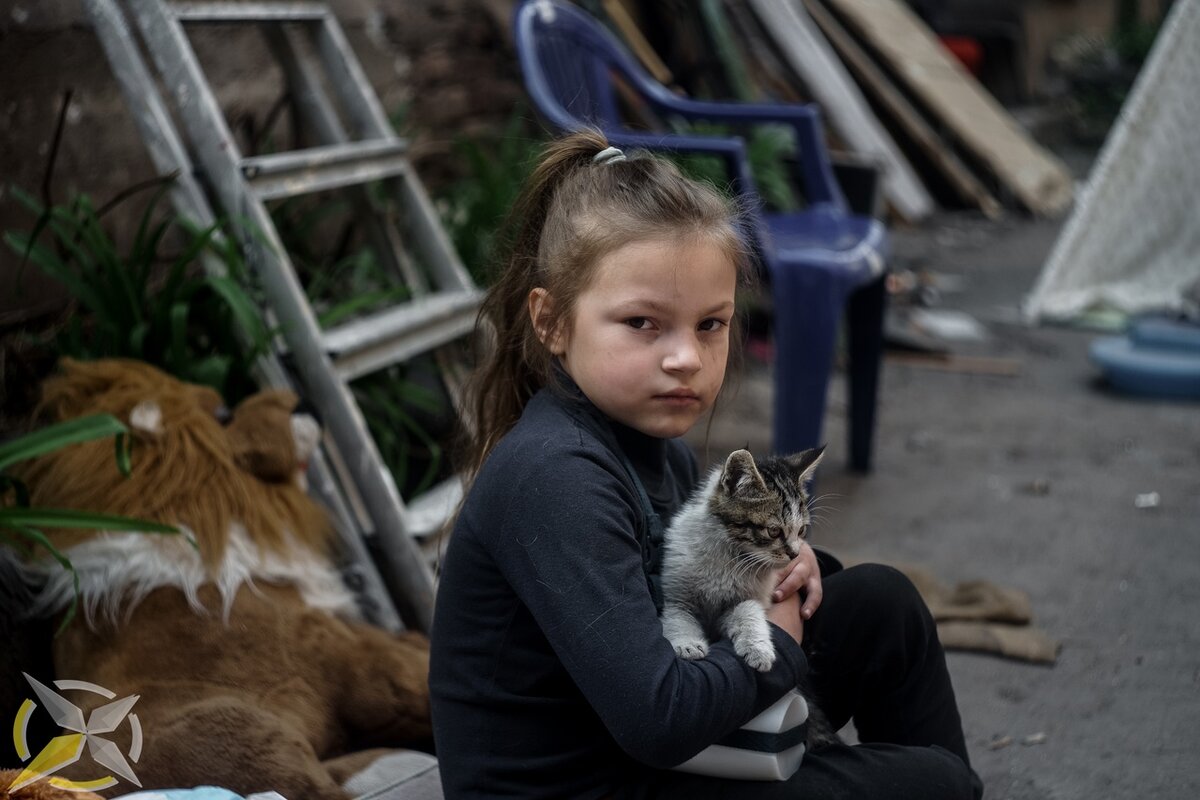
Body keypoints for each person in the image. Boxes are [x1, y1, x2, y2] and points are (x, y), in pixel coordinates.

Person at [429, 129, 983, 800]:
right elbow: (660, 718)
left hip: (644, 751)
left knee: (880, 603)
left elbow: (687, 586)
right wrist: (779, 641)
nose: (685, 357)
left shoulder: (645, 436)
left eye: (710, 325)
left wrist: (785, 568)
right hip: (598, 780)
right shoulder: (555, 475)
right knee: (935, 783)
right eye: (642, 323)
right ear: (551, 322)